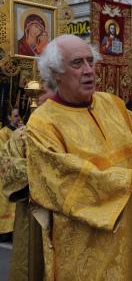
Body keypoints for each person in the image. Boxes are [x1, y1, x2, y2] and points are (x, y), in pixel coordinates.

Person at [27, 34, 132, 280]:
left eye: (90, 61)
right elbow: (66, 181)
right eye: (77, 63)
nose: (89, 71)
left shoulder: (112, 104)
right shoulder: (42, 124)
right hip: (88, 248)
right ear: (56, 72)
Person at [0, 82, 56, 281]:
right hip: (31, 215)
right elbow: (8, 167)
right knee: (30, 266)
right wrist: (44, 174)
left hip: (66, 218)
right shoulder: (21, 136)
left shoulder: (75, 131)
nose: (41, 95)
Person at [0, 107, 22, 241]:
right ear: (9, 117)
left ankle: (13, 230)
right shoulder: (3, 133)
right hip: (5, 173)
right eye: (15, 116)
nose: (18, 118)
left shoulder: (22, 131)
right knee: (5, 203)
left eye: (19, 116)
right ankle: (3, 231)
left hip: (18, 173)